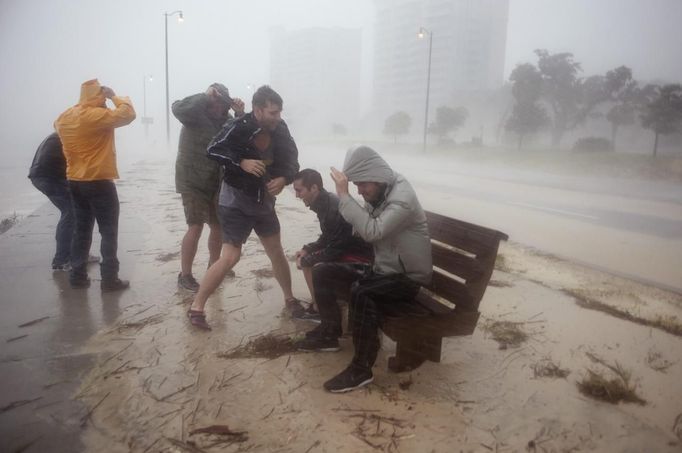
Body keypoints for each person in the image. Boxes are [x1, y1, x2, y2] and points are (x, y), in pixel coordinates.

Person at [295, 146, 432, 393]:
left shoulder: (402, 198)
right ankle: (329, 333)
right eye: (355, 185)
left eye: (362, 185)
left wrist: (344, 196)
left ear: (376, 175)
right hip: (383, 270)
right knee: (322, 271)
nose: (359, 191)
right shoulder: (381, 191)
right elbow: (366, 228)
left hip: (407, 278)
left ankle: (361, 369)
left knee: (361, 291)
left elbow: (372, 232)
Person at [186, 85, 301, 330]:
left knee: (276, 251)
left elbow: (292, 160)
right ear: (258, 110)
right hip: (235, 201)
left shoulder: (280, 129)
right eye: (273, 112)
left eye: (279, 112)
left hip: (264, 201)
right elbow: (213, 150)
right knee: (231, 256)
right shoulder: (238, 126)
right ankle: (196, 307)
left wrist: (284, 179)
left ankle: (290, 299)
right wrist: (241, 162)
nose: (277, 117)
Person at [54, 79, 136, 291]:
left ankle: (77, 276)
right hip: (99, 181)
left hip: (74, 181)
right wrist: (114, 96)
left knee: (81, 230)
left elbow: (57, 126)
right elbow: (128, 114)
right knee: (108, 231)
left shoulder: (65, 116)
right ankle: (109, 279)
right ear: (99, 96)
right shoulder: (95, 116)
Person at [173, 84, 245, 291]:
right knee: (195, 226)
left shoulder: (227, 121)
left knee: (218, 226)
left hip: (217, 181)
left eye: (222, 104)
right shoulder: (193, 114)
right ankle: (185, 275)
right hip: (192, 180)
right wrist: (204, 96)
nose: (218, 108)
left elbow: (243, 135)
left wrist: (240, 112)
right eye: (214, 103)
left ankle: (214, 267)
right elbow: (178, 108)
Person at [292, 168, 372, 322]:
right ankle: (319, 305)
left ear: (314, 188)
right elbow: (329, 237)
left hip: (361, 258)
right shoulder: (325, 202)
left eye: (299, 190)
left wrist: (308, 259)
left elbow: (336, 248)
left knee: (310, 263)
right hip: (350, 249)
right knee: (306, 257)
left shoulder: (331, 208)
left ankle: (319, 310)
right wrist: (307, 248)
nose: (296, 195)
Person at [28, 133, 99, 271]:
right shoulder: (71, 136)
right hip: (48, 178)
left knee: (79, 211)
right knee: (71, 213)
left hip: (46, 176)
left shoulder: (62, 133)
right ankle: (61, 260)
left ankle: (79, 255)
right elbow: (78, 164)